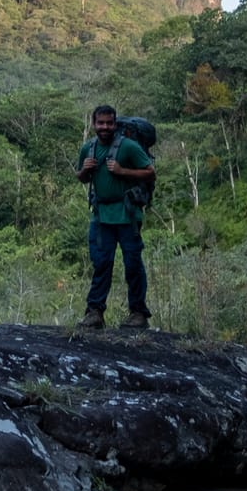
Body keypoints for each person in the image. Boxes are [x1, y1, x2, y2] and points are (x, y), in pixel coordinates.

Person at [76, 103, 154, 329]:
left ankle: (139, 314)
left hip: (127, 214)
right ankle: (95, 312)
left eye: (109, 123)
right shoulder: (88, 149)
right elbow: (81, 177)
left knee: (132, 264)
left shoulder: (129, 147)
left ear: (115, 123)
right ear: (93, 124)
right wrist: (84, 171)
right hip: (101, 215)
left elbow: (150, 172)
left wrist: (123, 171)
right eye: (101, 123)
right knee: (101, 263)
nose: (105, 127)